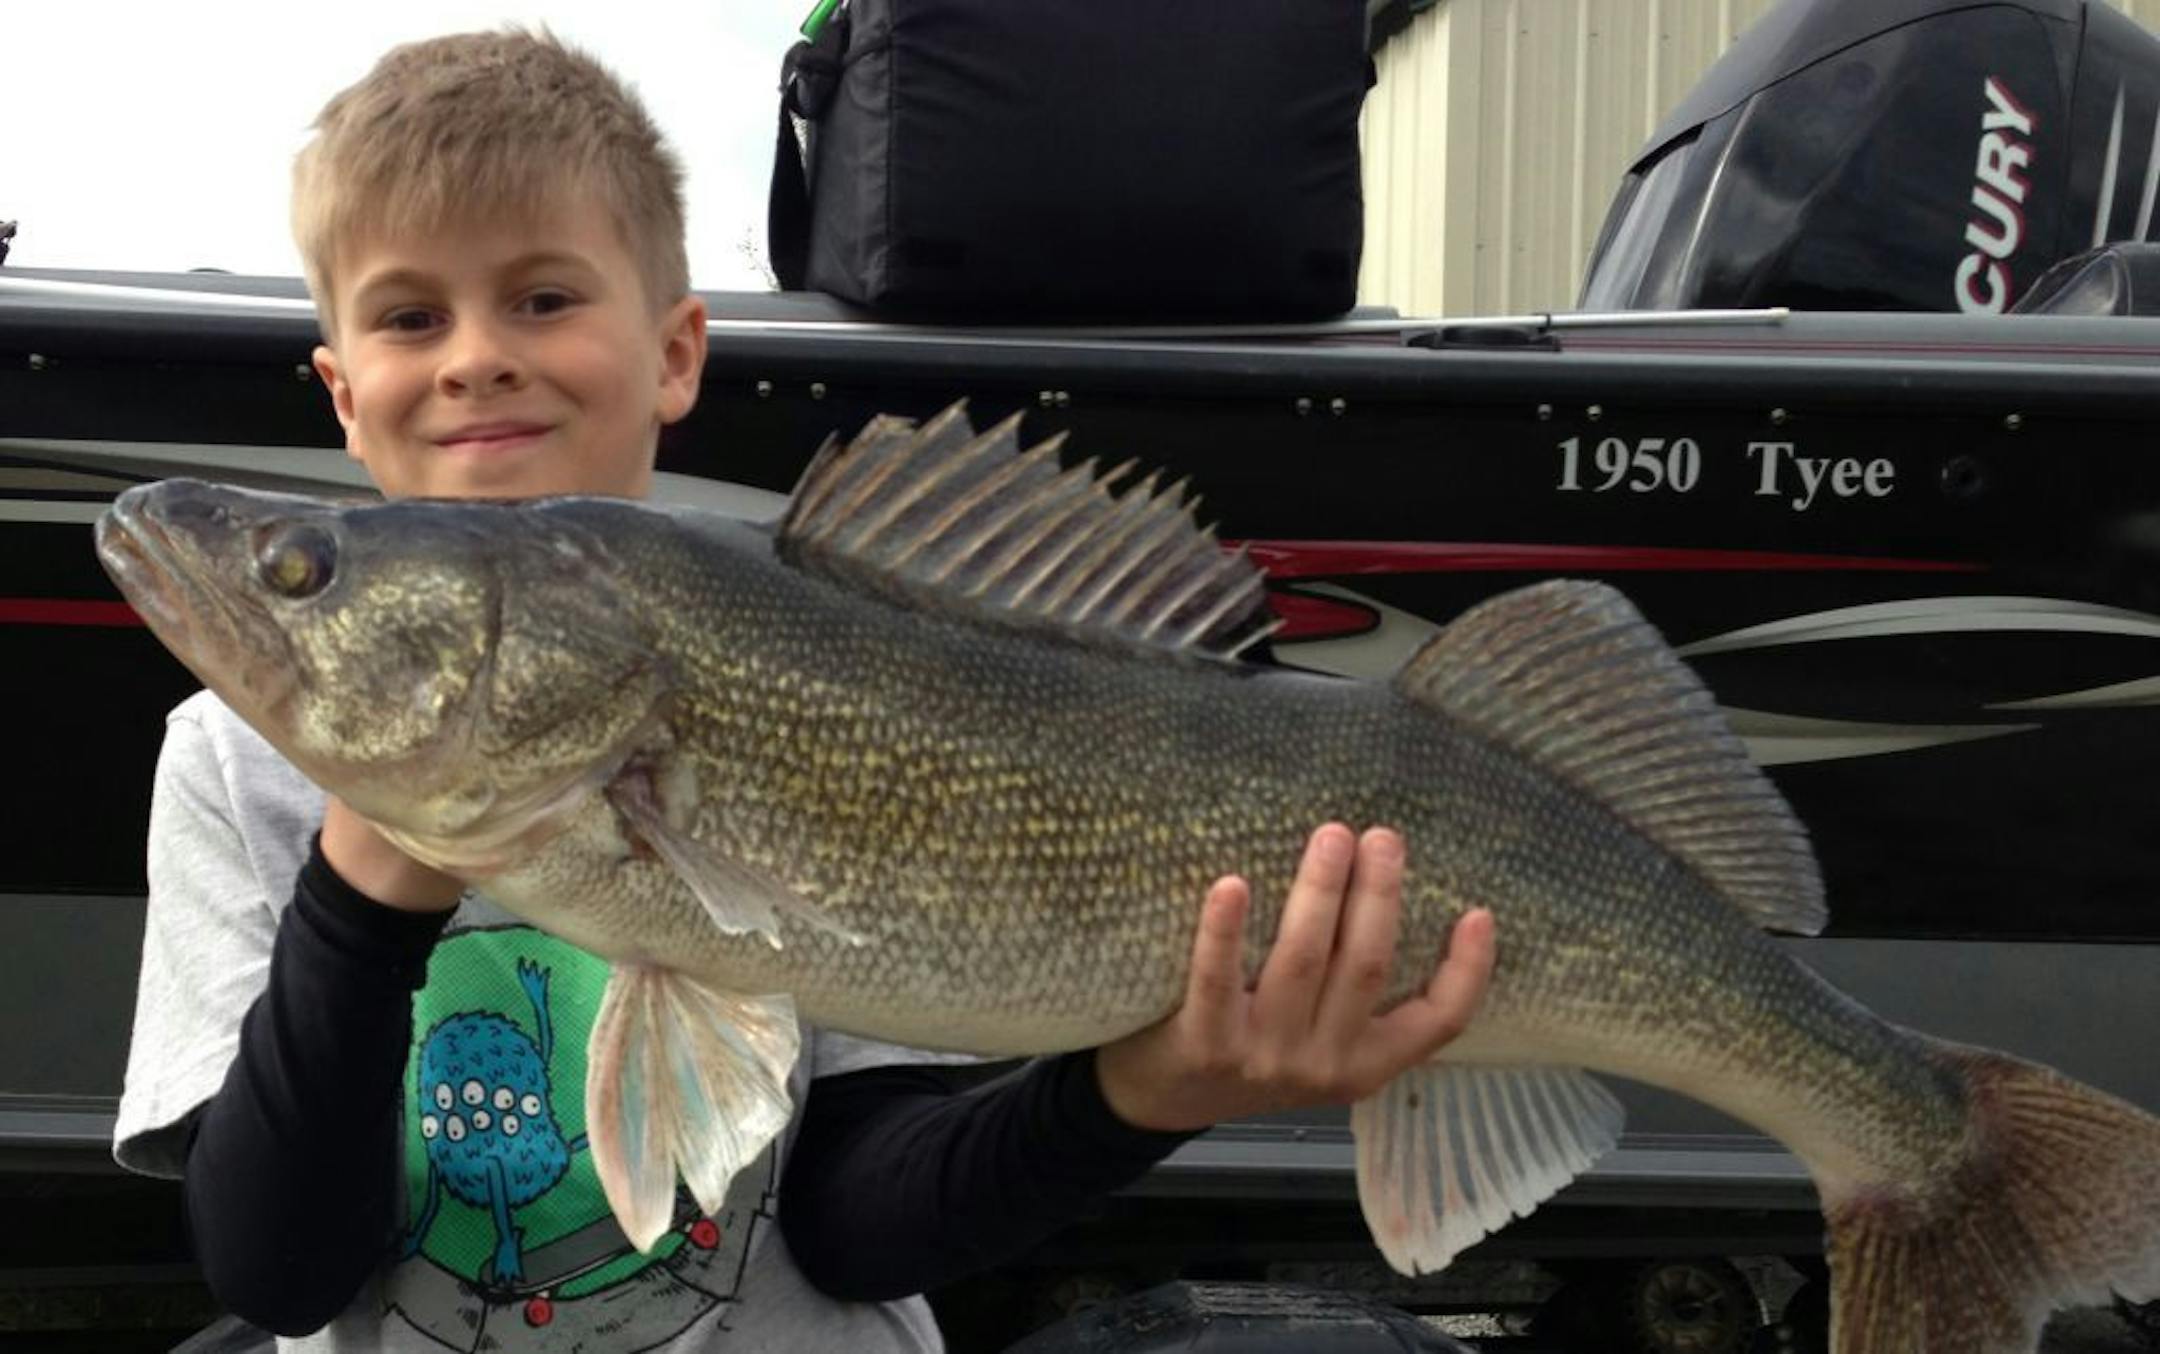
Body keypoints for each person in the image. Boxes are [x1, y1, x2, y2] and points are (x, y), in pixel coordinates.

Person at [110, 28, 1499, 1353]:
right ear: (343, 396)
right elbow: (274, 1265)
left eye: (543, 297)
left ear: (674, 353)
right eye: (412, 315)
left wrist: (1144, 1090)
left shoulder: (821, 643)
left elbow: (853, 1220)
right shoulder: (231, 768)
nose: (477, 353)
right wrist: (366, 880)